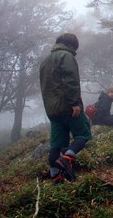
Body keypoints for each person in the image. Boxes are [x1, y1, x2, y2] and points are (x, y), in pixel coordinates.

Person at [39, 33, 92, 183]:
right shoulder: (66, 56)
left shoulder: (45, 61)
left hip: (52, 110)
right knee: (84, 134)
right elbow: (71, 80)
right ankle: (66, 159)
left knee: (57, 144)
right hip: (67, 106)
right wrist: (75, 103)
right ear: (71, 45)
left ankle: (56, 177)